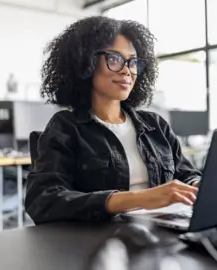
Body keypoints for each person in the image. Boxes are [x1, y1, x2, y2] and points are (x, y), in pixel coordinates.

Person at [25, 16, 202, 224]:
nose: (127, 70)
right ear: (86, 63)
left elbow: (187, 175)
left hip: (161, 236)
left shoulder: (155, 125)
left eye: (133, 62)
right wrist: (139, 198)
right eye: (115, 59)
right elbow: (43, 200)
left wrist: (199, 186)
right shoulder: (65, 127)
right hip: (99, 243)